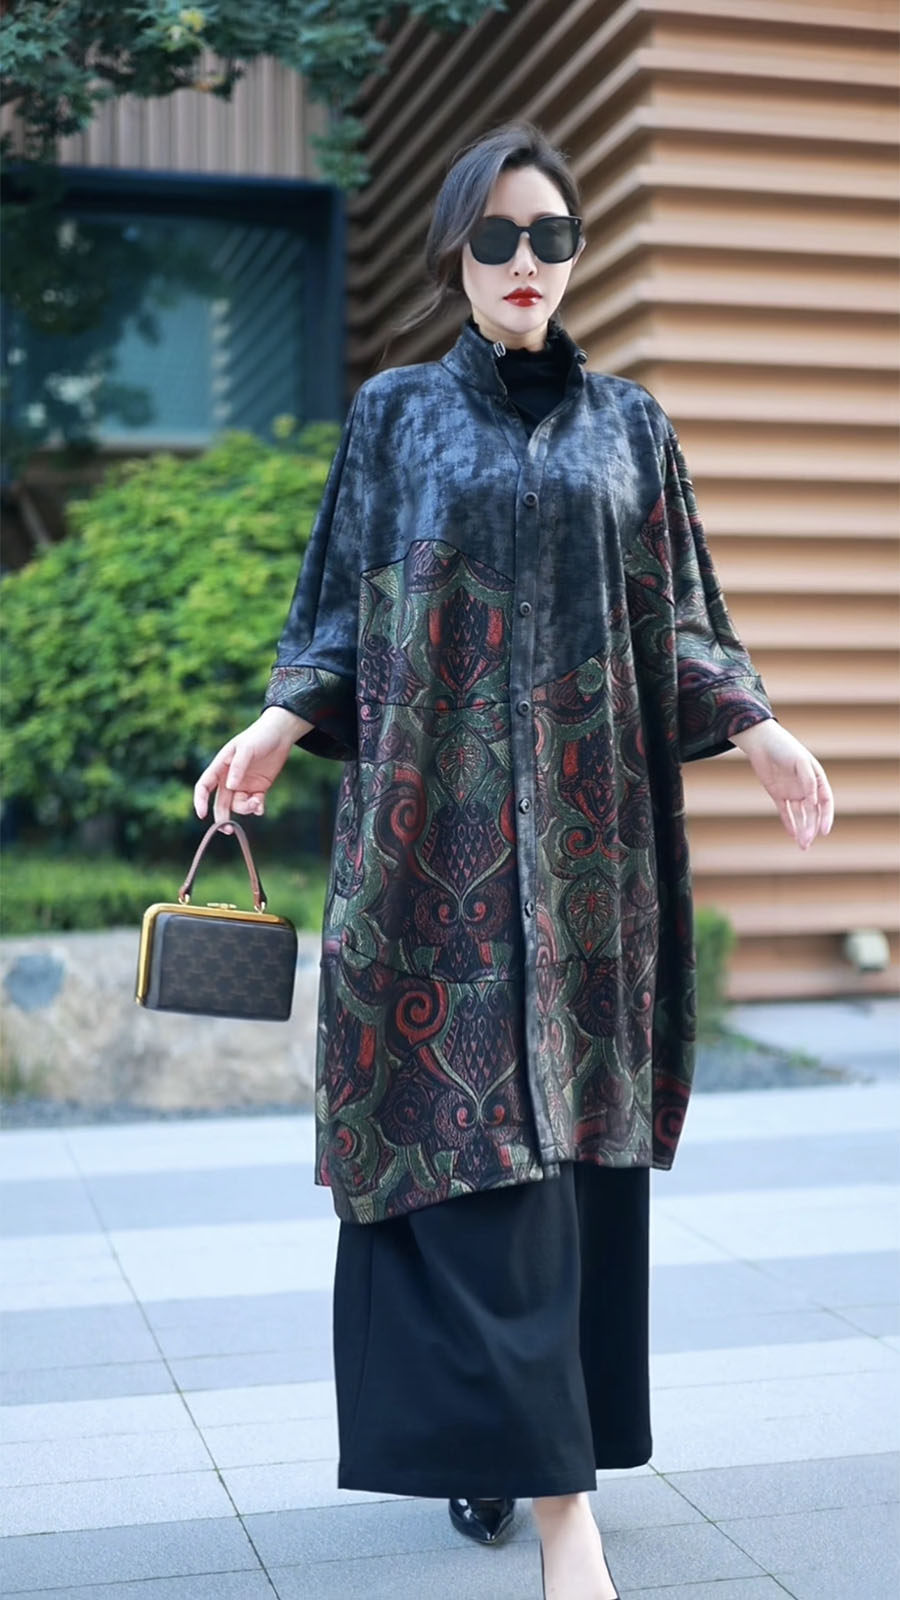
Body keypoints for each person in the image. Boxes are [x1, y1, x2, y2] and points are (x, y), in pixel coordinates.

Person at [194, 120, 834, 1600]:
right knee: (466, 1154)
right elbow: (340, 615)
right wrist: (278, 722)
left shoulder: (633, 429)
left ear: (577, 251)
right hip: (435, 852)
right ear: (456, 256)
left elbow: (681, 619)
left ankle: (516, 1448)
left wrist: (760, 727)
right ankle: (566, 1522)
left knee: (566, 1159)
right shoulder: (397, 419)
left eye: (551, 235)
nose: (527, 261)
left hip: (595, 859)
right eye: (498, 238)